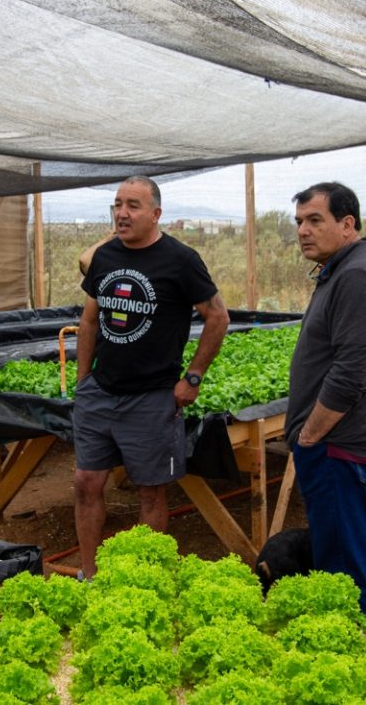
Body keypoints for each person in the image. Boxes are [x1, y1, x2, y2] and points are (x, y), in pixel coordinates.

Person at [72, 176, 229, 579]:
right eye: (118, 205)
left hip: (152, 397)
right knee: (87, 483)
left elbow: (218, 317)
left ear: (156, 213)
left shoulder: (180, 260)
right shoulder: (105, 257)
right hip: (99, 395)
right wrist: (84, 379)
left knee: (150, 490)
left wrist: (192, 379)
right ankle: (89, 575)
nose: (122, 213)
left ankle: (145, 578)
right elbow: (89, 320)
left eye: (133, 205)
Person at [285, 181, 366, 611]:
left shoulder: (356, 277)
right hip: (342, 444)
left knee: (342, 561)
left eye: (315, 220)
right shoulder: (351, 268)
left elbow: (351, 373)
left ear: (347, 224)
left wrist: (310, 435)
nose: (303, 230)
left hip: (338, 444)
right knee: (358, 545)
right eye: (299, 222)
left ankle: (356, 642)